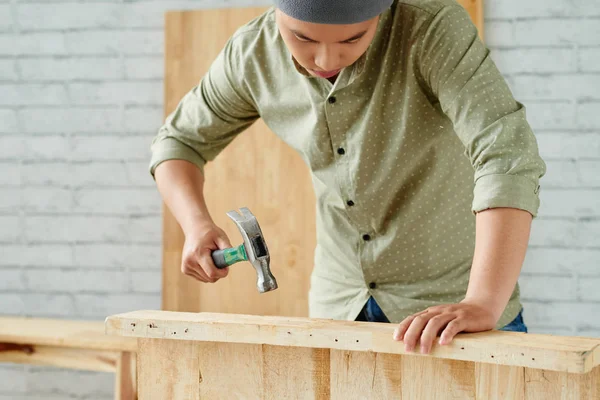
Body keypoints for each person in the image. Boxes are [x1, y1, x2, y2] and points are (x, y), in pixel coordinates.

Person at [149, 0, 546, 355]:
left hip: (452, 314)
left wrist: (482, 302)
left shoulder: (431, 29)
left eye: (353, 39)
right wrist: (196, 224)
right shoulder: (252, 54)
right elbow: (178, 142)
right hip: (337, 311)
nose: (324, 59)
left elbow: (507, 154)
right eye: (301, 37)